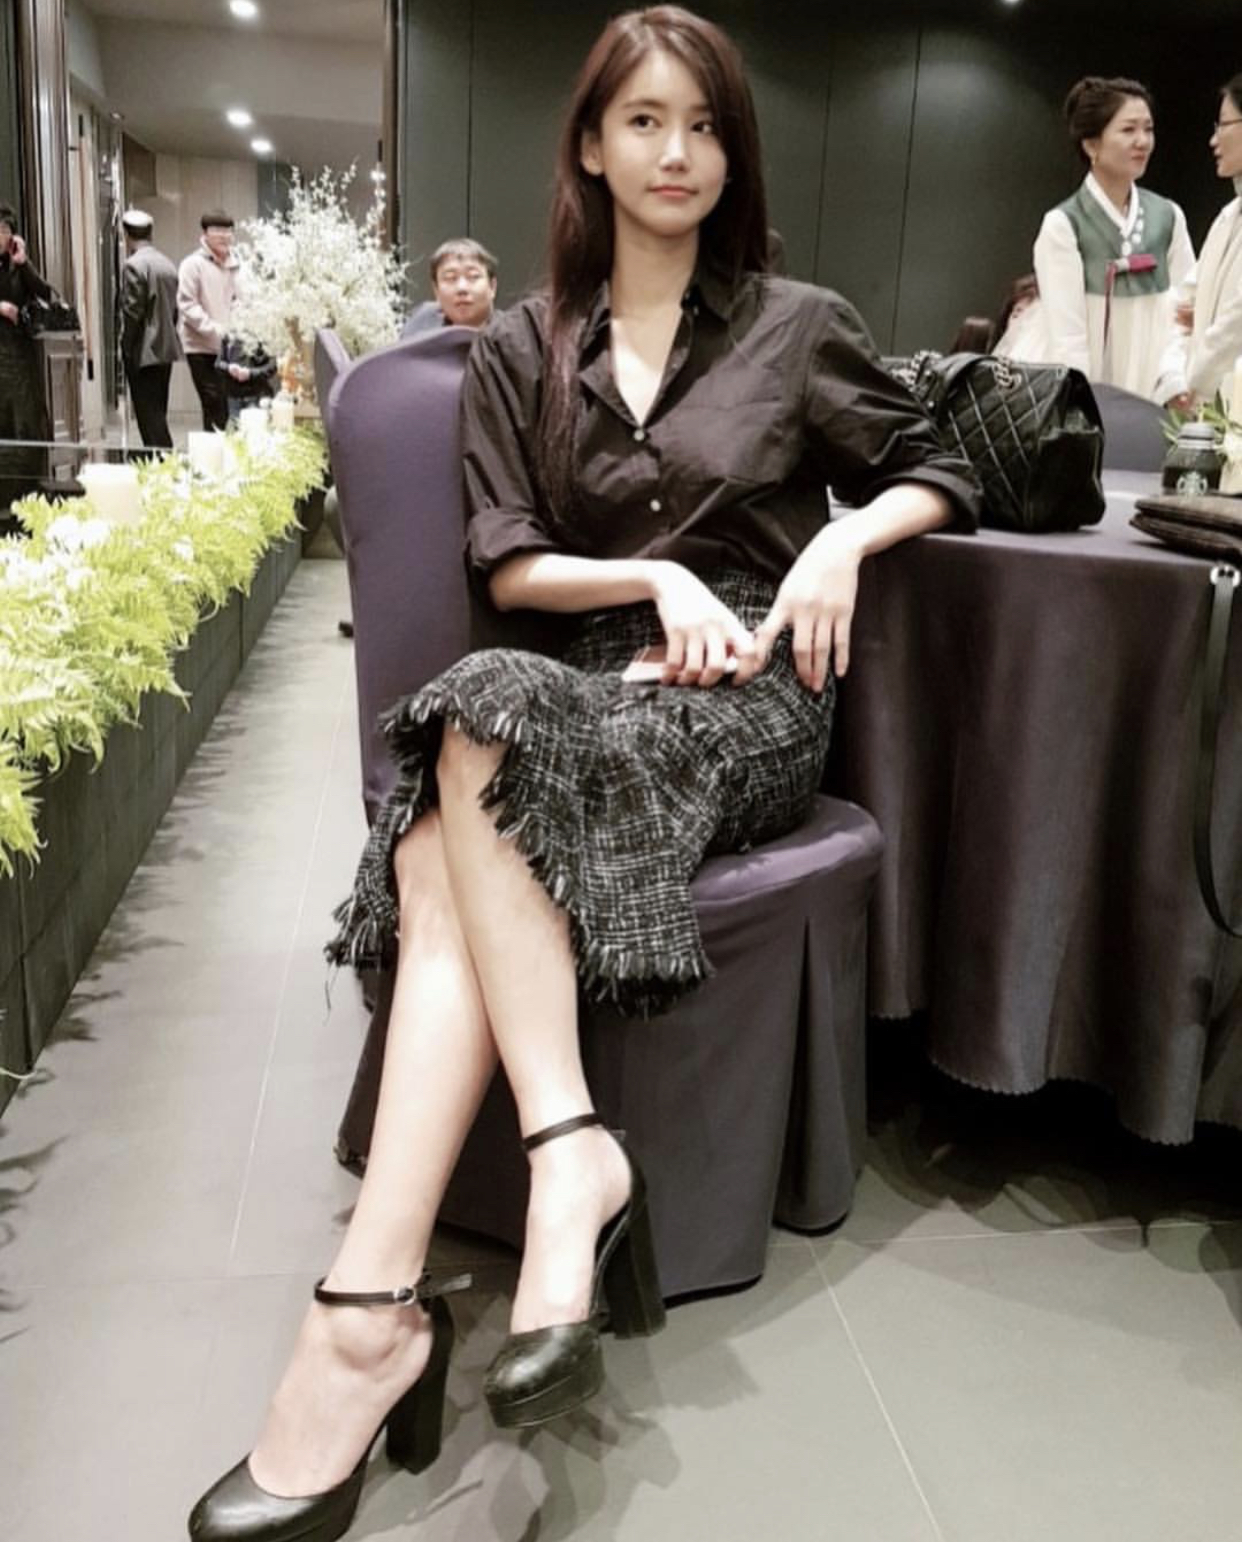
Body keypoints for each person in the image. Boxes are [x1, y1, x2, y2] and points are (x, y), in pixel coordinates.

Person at [187, 8, 979, 1539]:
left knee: (460, 771)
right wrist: (646, 576)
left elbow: (962, 451)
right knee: (471, 755)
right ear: (591, 147)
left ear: (730, 150)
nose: (676, 151)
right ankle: (546, 1169)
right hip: (586, 671)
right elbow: (506, 558)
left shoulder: (797, 324)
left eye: (703, 123)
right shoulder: (519, 343)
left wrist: (839, 540)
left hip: (747, 691)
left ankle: (368, 1319)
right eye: (643, 121)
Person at [1030, 76, 1194, 405]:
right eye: (1128, 130)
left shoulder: (1168, 215)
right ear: (1091, 145)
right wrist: (1084, 407)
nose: (1142, 141)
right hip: (1090, 383)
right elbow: (1068, 338)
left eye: (1148, 129)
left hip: (1157, 379)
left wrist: (1174, 379)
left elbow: (1187, 310)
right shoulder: (1064, 224)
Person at [1174, 72, 1242, 408]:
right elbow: (1184, 303)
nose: (1214, 141)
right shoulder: (1227, 218)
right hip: (1206, 405)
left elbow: (1234, 325)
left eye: (1223, 125)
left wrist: (1191, 383)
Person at [0, 203, 52, 510]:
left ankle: (25, 498)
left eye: (6, 230)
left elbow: (46, 295)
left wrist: (24, 262)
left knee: (25, 422)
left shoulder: (18, 266)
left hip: (19, 355)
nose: (1, 236)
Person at [119, 208, 182, 450]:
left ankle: (165, 463)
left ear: (127, 235)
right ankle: (163, 462)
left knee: (149, 418)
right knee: (158, 411)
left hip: (143, 352)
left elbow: (132, 312)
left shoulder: (133, 265)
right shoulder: (167, 264)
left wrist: (126, 347)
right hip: (165, 349)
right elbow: (174, 311)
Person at [178, 209, 240, 431]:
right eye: (217, 230)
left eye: (228, 230)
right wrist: (215, 330)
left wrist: (235, 329)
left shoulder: (238, 263)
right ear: (205, 233)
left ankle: (221, 446)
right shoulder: (192, 264)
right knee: (213, 402)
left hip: (230, 346)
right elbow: (187, 304)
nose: (223, 236)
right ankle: (214, 447)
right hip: (200, 345)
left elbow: (240, 299)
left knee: (226, 404)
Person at [402, 237, 498, 336]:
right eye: (450, 278)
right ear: (436, 291)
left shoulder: (506, 335)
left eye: (473, 276)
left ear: (492, 287)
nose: (462, 288)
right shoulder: (419, 329)